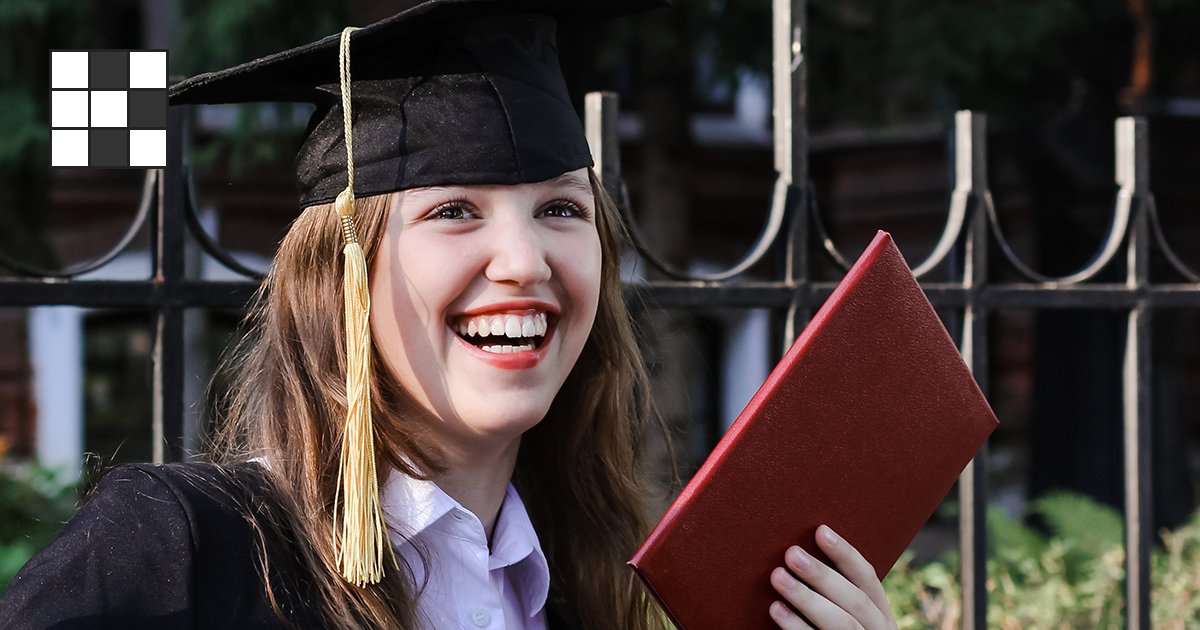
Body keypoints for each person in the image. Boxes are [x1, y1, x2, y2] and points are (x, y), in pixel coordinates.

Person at [0, 1, 897, 628]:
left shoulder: (587, 596)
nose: (525, 261)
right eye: (453, 210)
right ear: (342, 276)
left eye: (561, 210)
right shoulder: (186, 549)